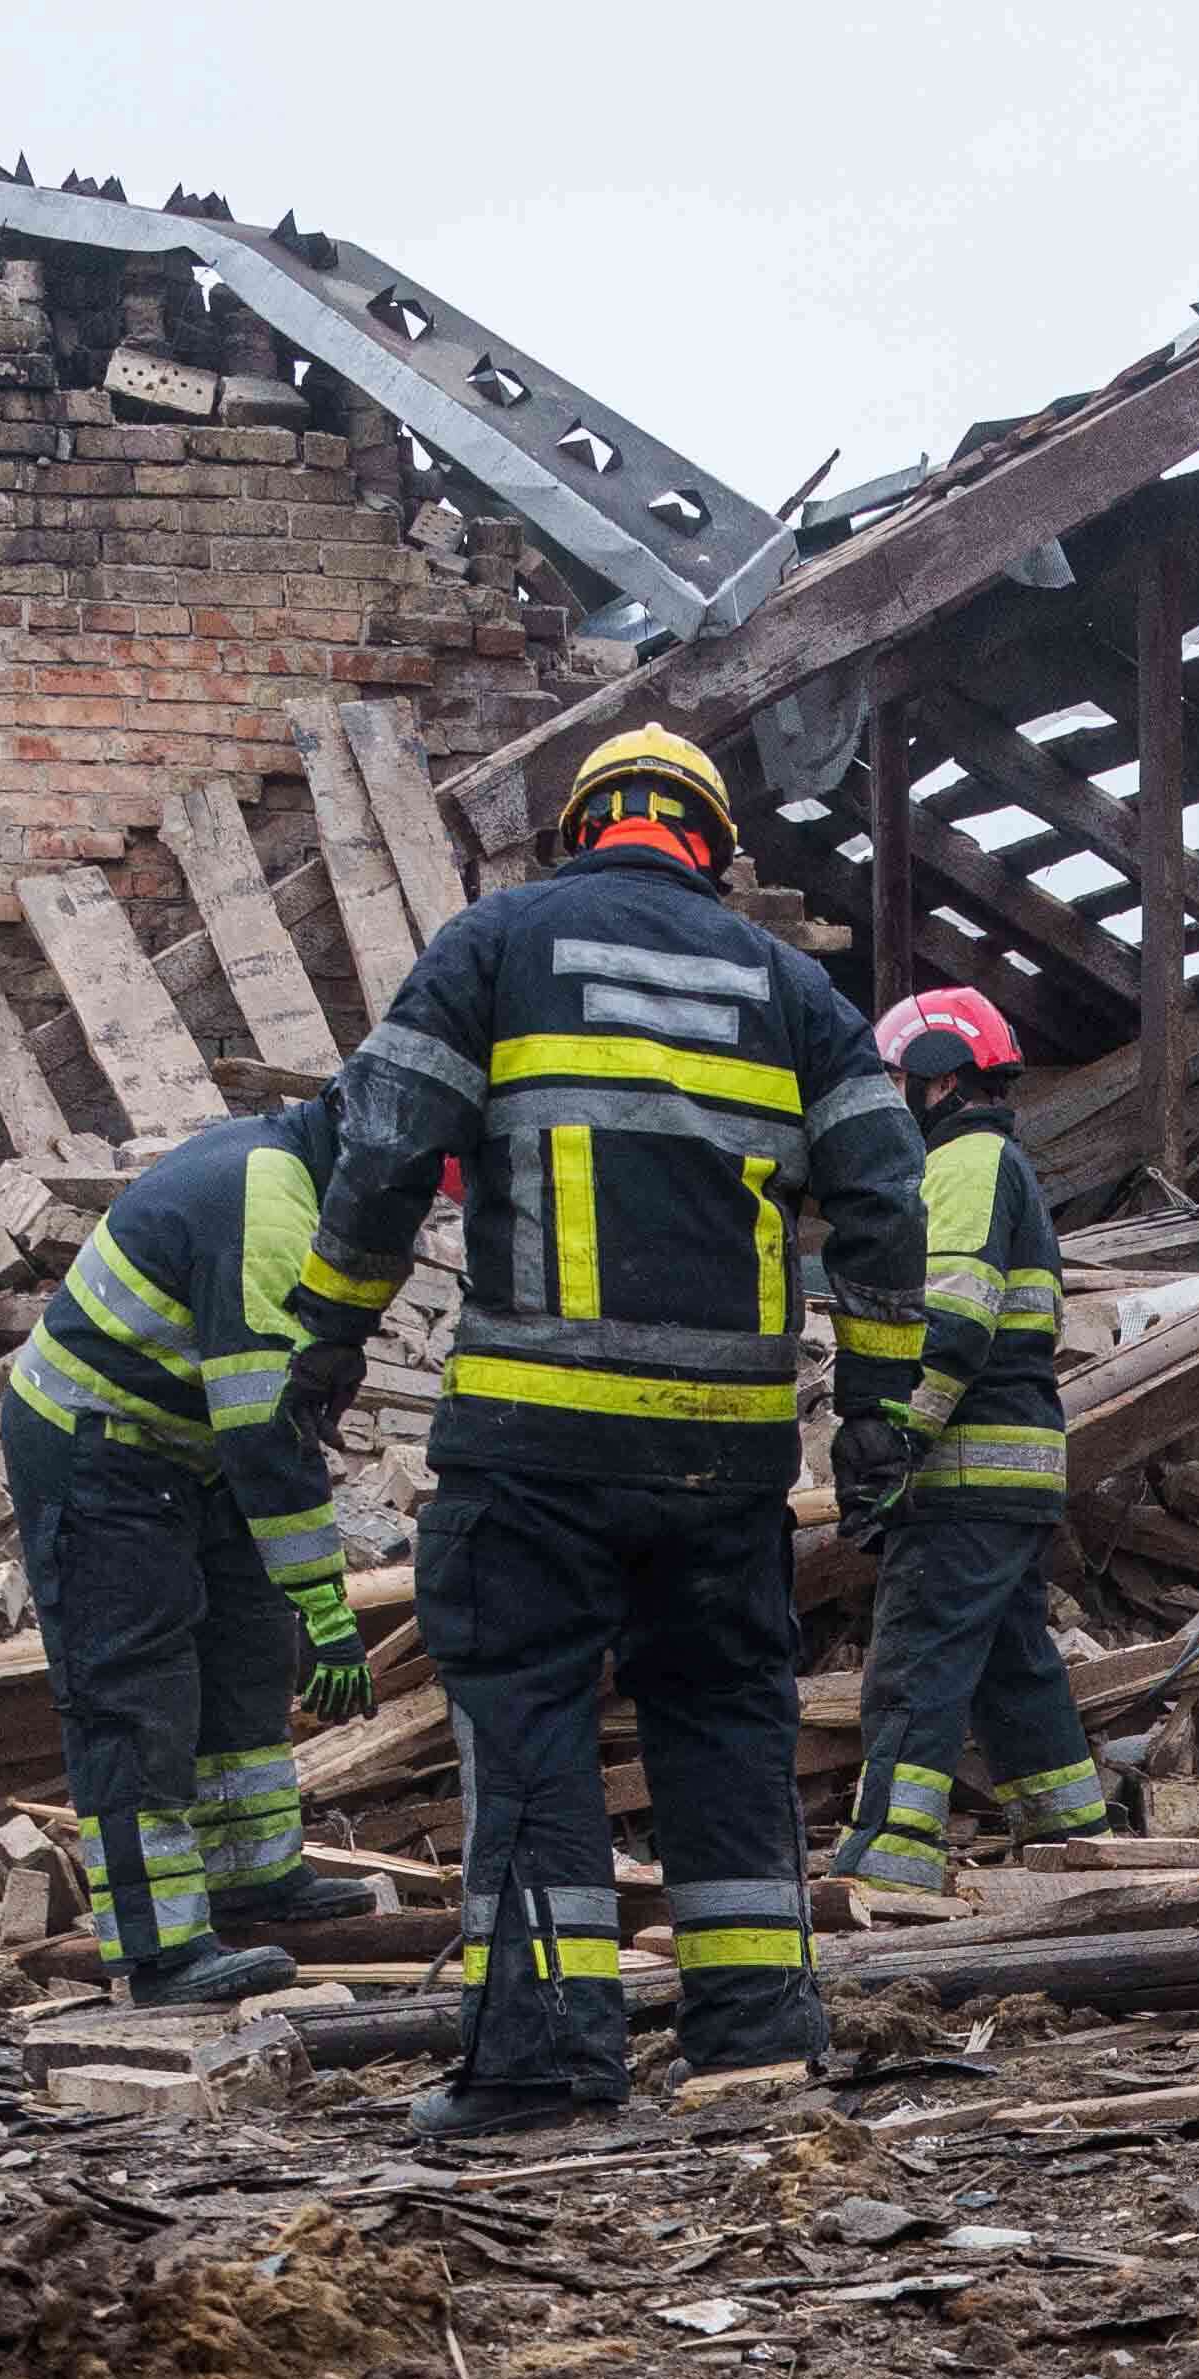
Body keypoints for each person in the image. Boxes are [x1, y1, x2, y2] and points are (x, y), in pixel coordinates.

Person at [308, 721, 931, 2135]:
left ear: (583, 828)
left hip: (534, 1448)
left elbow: (387, 1146)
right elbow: (890, 1196)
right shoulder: (789, 987)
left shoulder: (496, 944)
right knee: (723, 1718)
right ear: (711, 845)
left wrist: (327, 1337)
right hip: (724, 1457)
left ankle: (541, 2065)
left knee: (528, 1720)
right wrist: (882, 1415)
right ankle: (759, 2045)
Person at [0, 1099, 394, 2004]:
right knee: (136, 1691)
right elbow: (266, 1429)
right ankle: (160, 1949)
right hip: (96, 1446)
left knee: (247, 1653)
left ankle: (255, 1878)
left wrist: (295, 1602)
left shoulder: (306, 1173)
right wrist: (328, 1606)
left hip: (190, 1442)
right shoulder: (266, 1200)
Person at [828, 988, 1118, 1902]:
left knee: (915, 1661)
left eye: (893, 1084)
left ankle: (888, 1857)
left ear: (936, 1079)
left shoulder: (965, 1162)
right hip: (1012, 1473)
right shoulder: (1002, 1166)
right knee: (1012, 1666)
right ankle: (1076, 1845)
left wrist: (892, 1437)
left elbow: (949, 1321)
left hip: (963, 1470)